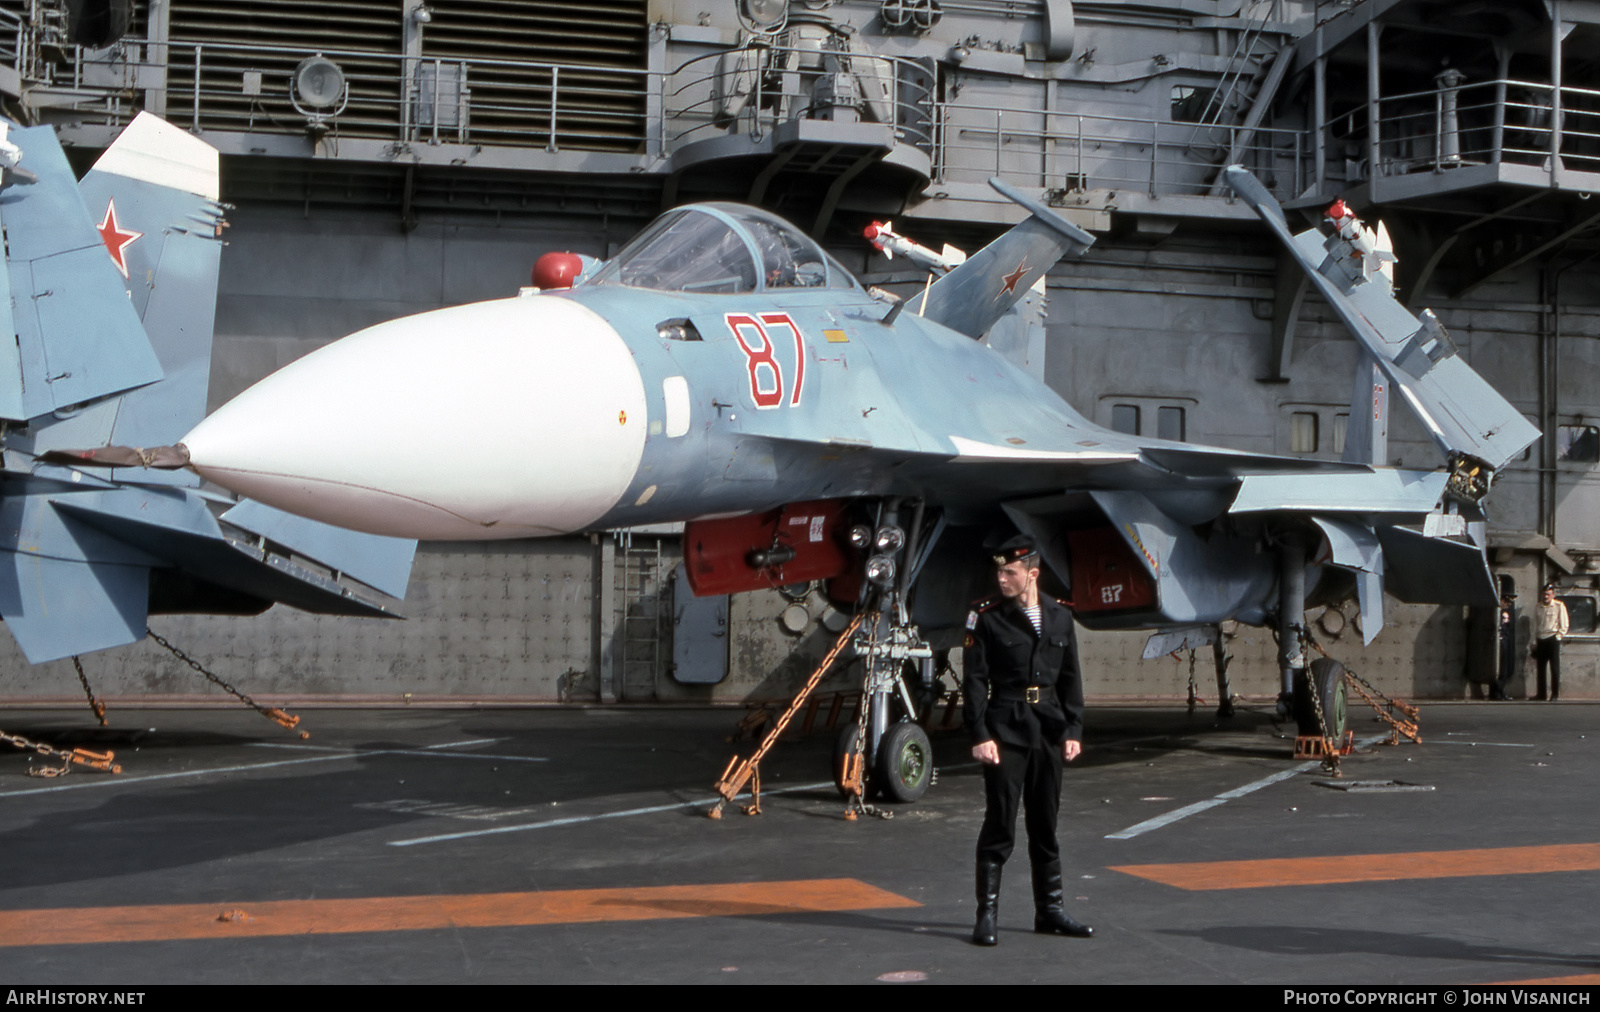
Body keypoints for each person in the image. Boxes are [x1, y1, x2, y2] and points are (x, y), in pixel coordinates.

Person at [963, 535, 1091, 946]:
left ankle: (1050, 911)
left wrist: (1073, 730)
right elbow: (975, 682)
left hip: (1048, 731)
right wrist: (980, 734)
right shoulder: (987, 617)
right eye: (999, 572)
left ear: (1032, 574)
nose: (1001, 579)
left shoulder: (1059, 617)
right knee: (1000, 824)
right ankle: (987, 915)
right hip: (1006, 731)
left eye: (1010, 573)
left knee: (1045, 826)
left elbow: (1071, 679)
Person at [1534, 585, 1568, 701]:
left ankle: (1554, 694)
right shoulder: (1538, 607)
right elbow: (1535, 624)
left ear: (1553, 595)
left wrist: (1558, 636)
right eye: (1544, 594)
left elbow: (1564, 624)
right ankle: (1541, 694)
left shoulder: (1559, 606)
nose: (1546, 596)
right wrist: (1535, 640)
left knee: (1554, 668)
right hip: (1541, 638)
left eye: (1548, 594)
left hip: (1552, 638)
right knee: (1540, 668)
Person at [1490, 592, 1517, 700]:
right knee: (1500, 668)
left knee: (1504, 669)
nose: (1508, 605)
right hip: (1500, 642)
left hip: (1505, 641)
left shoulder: (1505, 613)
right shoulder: (1497, 614)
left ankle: (1500, 691)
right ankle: (1497, 692)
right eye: (1506, 602)